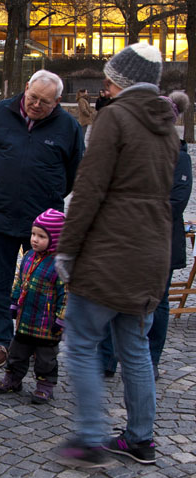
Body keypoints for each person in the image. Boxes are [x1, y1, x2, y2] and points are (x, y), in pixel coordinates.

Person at [56, 43, 178, 467]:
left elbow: (89, 190)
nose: (104, 86)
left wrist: (67, 250)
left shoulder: (116, 118)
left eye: (108, 78)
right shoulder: (168, 124)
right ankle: (141, 438)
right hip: (152, 250)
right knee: (135, 347)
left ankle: (91, 437)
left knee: (82, 343)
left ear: (119, 81)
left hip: (111, 251)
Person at [0, 69, 84, 368]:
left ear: (58, 101)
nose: (36, 105)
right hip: (0, 211)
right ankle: (1, 338)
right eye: (33, 97)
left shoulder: (69, 126)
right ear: (25, 88)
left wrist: (49, 194)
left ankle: (36, 339)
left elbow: (75, 173)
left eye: (45, 102)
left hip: (44, 221)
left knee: (43, 282)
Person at [98, 90, 193, 381]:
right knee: (110, 298)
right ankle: (107, 359)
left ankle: (149, 360)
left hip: (158, 241)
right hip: (123, 239)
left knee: (157, 301)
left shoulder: (179, 156)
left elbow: (176, 201)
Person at [0, 209, 66, 404]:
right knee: (17, 352)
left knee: (45, 358)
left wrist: (61, 318)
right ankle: (13, 379)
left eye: (41, 236)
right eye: (33, 234)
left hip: (47, 324)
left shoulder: (60, 265)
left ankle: (45, 386)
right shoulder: (29, 257)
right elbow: (19, 281)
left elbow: (67, 295)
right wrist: (15, 303)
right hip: (26, 319)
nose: (35, 239)